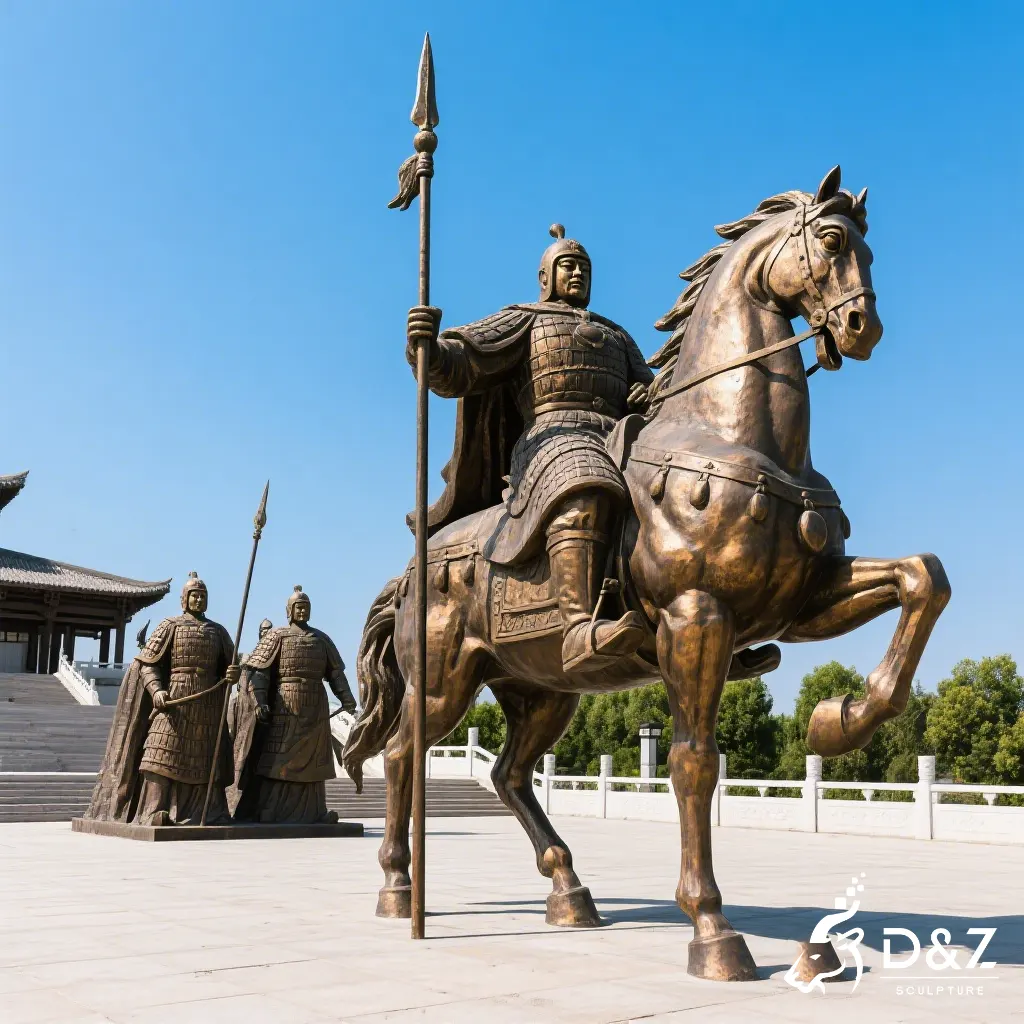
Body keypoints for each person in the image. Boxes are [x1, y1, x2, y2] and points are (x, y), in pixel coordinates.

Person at [406, 224, 655, 672]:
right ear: (545, 277)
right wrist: (430, 347)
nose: (577, 274)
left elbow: (648, 387)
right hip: (553, 439)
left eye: (584, 268)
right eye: (568, 266)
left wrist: (644, 394)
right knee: (583, 477)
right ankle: (577, 626)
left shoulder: (617, 335)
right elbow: (465, 360)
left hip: (620, 436)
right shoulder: (526, 319)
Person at [86, 572, 238, 825]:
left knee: (204, 757)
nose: (199, 600)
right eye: (194, 595)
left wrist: (232, 673)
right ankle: (154, 809)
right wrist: (156, 690)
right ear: (184, 599)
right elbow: (148, 664)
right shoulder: (170, 625)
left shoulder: (218, 631)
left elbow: (230, 666)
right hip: (175, 698)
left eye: (202, 596)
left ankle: (205, 811)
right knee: (159, 753)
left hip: (208, 703)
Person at [233, 587, 356, 824]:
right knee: (279, 757)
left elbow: (336, 674)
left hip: (315, 706)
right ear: (289, 611)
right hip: (285, 705)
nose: (302, 611)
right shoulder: (277, 636)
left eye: (305, 607)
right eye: (298, 607)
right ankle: (270, 808)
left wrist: (347, 698)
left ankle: (316, 810)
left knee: (314, 762)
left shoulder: (321, 639)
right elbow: (260, 674)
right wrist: (260, 701)